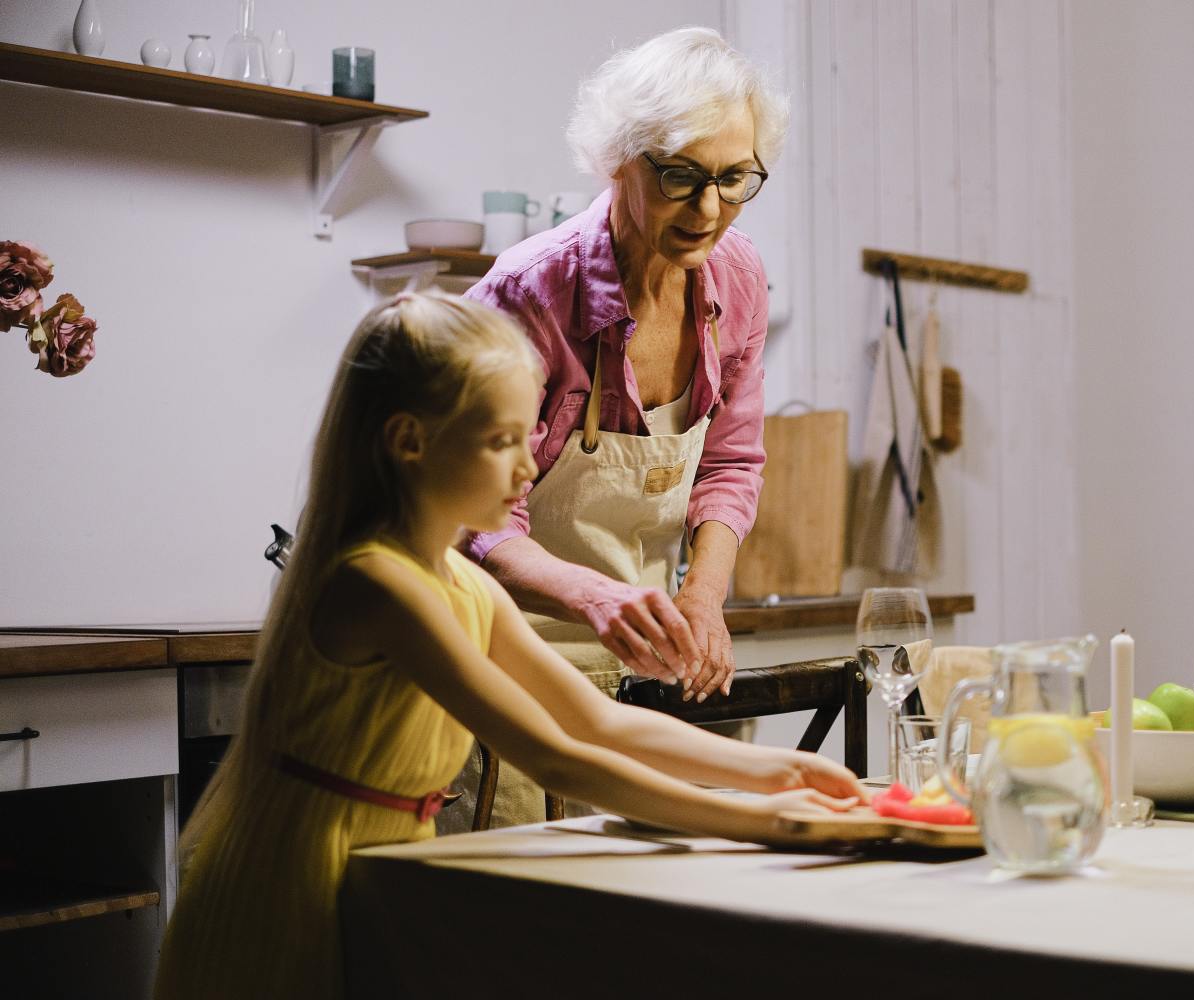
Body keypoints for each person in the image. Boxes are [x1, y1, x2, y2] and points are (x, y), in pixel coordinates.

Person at [153, 292, 862, 1000]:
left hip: (382, 877)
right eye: (502, 442)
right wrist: (765, 822)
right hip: (293, 886)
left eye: (529, 438)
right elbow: (557, 755)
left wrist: (778, 771)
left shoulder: (461, 579)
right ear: (409, 441)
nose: (529, 469)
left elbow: (599, 721)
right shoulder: (378, 584)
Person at [461, 27, 784, 825]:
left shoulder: (737, 280)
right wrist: (600, 598)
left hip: (636, 671)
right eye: (679, 176)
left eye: (734, 178)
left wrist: (702, 599)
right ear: (620, 160)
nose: (709, 210)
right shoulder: (531, 294)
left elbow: (732, 462)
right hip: (503, 661)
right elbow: (473, 517)